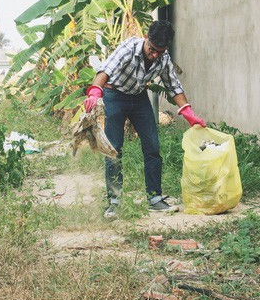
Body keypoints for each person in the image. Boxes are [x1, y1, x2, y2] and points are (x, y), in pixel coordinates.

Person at [83, 20, 206, 219]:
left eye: (160, 51)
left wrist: (188, 112)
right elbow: (104, 71)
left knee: (153, 148)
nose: (155, 55)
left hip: (139, 98)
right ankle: (114, 202)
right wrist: (95, 91)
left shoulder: (163, 58)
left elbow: (173, 86)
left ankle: (155, 199)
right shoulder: (127, 49)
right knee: (113, 149)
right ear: (146, 38)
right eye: (152, 49)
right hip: (114, 96)